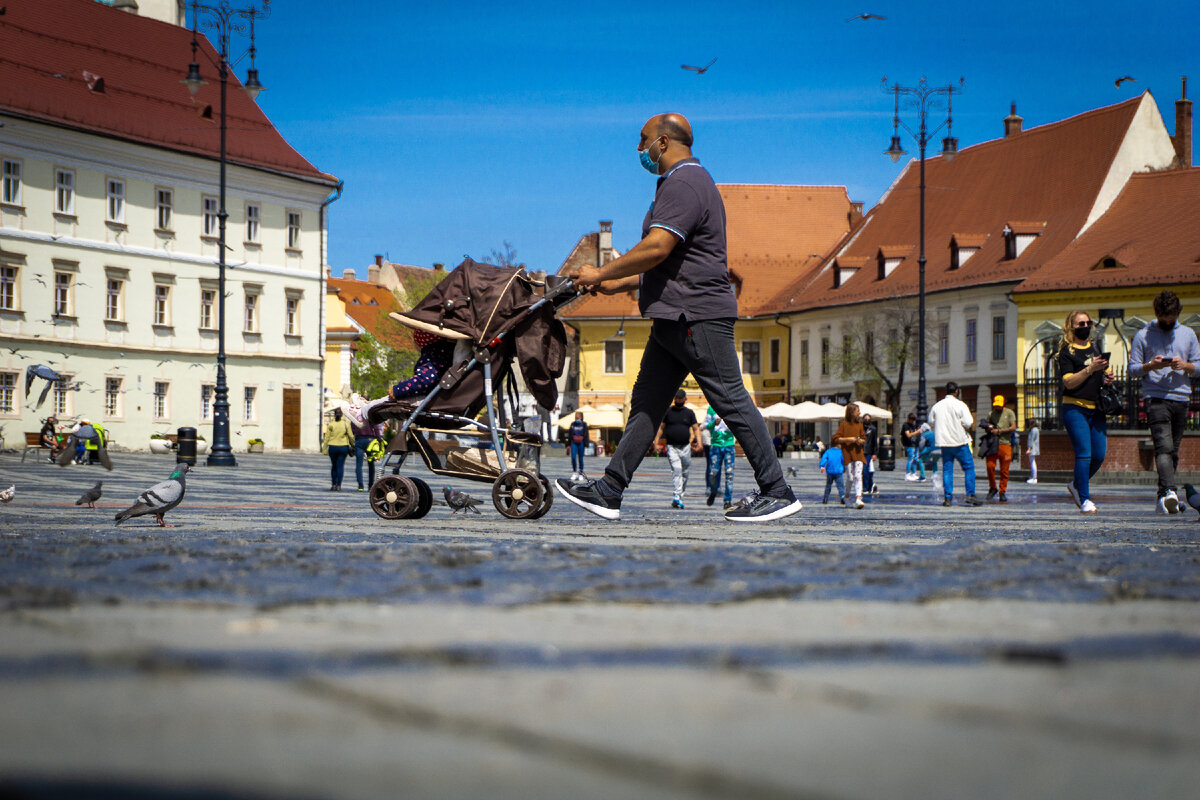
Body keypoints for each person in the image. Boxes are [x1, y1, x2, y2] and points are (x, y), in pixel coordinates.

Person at [555, 112, 799, 522]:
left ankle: (777, 490)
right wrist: (620, 285)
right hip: (674, 318)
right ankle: (609, 490)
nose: (639, 149)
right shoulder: (679, 183)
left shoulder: (685, 183)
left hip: (696, 317)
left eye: (643, 139)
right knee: (646, 405)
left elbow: (658, 247)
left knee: (731, 400)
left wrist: (601, 272)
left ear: (664, 142)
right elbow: (678, 266)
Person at [1128, 290, 1200, 514]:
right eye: (1163, 319)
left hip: (1181, 397)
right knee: (1164, 447)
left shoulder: (1188, 334)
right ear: (1157, 314)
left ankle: (1164, 496)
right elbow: (1132, 370)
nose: (1167, 323)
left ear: (1178, 313)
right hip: (1155, 397)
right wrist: (1151, 365)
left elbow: (1198, 367)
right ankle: (1169, 490)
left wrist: (1185, 365)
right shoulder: (1143, 335)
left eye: (1171, 319)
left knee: (1174, 450)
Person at [1057, 310, 1112, 514]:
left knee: (1098, 455)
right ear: (1071, 326)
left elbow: (1097, 376)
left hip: (1096, 408)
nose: (1085, 327)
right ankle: (1085, 499)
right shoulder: (1067, 352)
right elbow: (1068, 382)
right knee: (1084, 454)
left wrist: (1106, 377)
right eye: (1080, 324)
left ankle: (1076, 485)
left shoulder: (1094, 348)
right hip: (1075, 407)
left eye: (1088, 323)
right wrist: (1090, 369)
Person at [346, 330, 456, 426]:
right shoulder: (445, 351)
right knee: (390, 400)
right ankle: (369, 406)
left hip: (428, 399)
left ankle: (362, 414)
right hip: (437, 397)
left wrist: (399, 389)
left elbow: (423, 381)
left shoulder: (434, 354)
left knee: (393, 400)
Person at [928, 381, 984, 507]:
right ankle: (970, 495)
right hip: (960, 442)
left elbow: (930, 421)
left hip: (945, 443)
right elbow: (969, 422)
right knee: (969, 468)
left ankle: (948, 498)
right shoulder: (960, 405)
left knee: (947, 469)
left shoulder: (937, 406)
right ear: (957, 391)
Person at [656, 390, 701, 509]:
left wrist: (699, 443)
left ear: (685, 399)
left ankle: (680, 495)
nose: (678, 400)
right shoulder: (668, 411)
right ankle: (676, 496)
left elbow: (696, 429)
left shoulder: (689, 413)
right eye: (677, 398)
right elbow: (661, 428)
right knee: (677, 470)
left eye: (681, 398)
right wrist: (656, 442)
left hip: (685, 447)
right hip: (671, 447)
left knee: (685, 472)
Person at [832, 403, 866, 509]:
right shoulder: (844, 424)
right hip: (847, 454)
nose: (859, 413)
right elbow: (836, 439)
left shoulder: (860, 425)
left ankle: (858, 498)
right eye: (858, 411)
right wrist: (850, 439)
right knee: (850, 477)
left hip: (858, 453)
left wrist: (860, 441)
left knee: (858, 475)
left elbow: (864, 438)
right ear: (851, 412)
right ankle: (846, 497)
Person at [983, 394, 1017, 502]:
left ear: (1003, 404)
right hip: (992, 444)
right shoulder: (990, 414)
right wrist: (989, 428)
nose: (997, 407)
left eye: (999, 405)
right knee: (990, 466)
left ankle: (1002, 491)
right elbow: (986, 428)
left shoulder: (1009, 413)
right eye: (996, 405)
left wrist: (1000, 431)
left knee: (1004, 470)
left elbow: (1013, 427)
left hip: (1005, 443)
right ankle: (993, 487)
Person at [705, 405, 736, 509]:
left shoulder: (732, 407)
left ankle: (727, 500)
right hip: (716, 446)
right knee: (713, 473)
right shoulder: (711, 408)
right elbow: (706, 426)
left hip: (728, 445)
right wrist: (714, 423)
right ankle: (713, 491)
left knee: (729, 474)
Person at [322, 407, 354, 491]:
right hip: (343, 447)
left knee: (334, 466)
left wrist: (324, 449)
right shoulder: (346, 424)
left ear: (334, 414)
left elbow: (327, 437)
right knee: (340, 466)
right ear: (342, 415)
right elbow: (350, 436)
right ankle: (339, 485)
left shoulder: (331, 424)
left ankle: (333, 485)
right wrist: (353, 445)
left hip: (332, 447)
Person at [351, 416, 384, 492]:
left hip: (359, 440)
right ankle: (370, 485)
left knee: (359, 464)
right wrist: (379, 439)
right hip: (370, 440)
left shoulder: (355, 417)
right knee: (371, 463)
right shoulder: (370, 415)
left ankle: (360, 485)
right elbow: (376, 428)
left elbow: (352, 430)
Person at [567, 412, 590, 482]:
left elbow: (586, 434)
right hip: (574, 442)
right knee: (573, 457)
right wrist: (568, 444)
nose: (576, 418)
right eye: (575, 417)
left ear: (581, 417)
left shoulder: (584, 424)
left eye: (577, 417)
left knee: (580, 458)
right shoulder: (572, 424)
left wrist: (586, 444)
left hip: (581, 442)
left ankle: (580, 473)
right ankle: (574, 472)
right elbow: (569, 433)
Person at [861, 413, 878, 497]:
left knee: (865, 469)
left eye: (868, 419)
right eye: (865, 418)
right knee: (863, 470)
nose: (867, 420)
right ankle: (872, 486)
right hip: (860, 451)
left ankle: (865, 488)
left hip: (868, 452)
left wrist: (875, 453)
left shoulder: (873, 429)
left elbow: (875, 442)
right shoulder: (860, 428)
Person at [901, 412, 921, 480]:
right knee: (910, 459)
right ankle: (907, 474)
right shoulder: (905, 425)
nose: (913, 421)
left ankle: (914, 473)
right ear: (909, 419)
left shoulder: (914, 425)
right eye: (912, 420)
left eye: (914, 420)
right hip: (909, 444)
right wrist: (917, 432)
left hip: (915, 444)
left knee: (916, 459)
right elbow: (908, 435)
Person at [1025, 419, 1040, 484]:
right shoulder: (1036, 429)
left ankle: (1034, 478)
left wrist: (1029, 449)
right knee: (1033, 462)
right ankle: (1033, 477)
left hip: (1032, 448)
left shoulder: (1033, 430)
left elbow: (1031, 440)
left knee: (1032, 462)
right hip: (1035, 448)